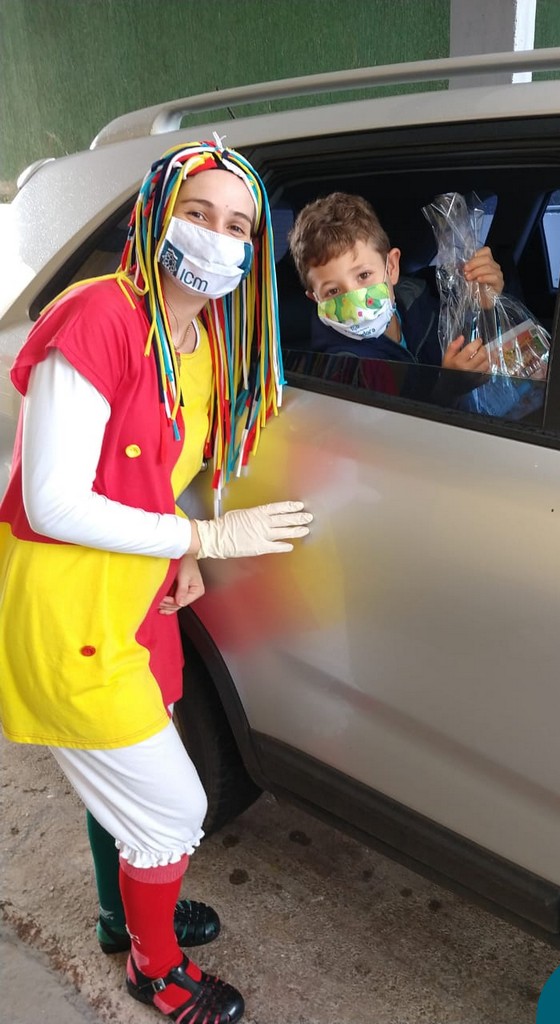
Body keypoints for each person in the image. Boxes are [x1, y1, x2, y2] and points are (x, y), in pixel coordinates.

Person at [0, 138, 313, 1024]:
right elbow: (53, 501)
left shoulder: (202, 342)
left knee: (130, 793)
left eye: (238, 225)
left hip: (140, 599)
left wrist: (181, 555)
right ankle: (154, 968)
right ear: (156, 218)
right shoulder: (99, 316)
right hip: (69, 610)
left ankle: (122, 914)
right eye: (197, 214)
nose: (217, 236)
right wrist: (203, 534)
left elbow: (156, 471)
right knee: (172, 808)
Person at [287, 191, 504, 374]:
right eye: (333, 291)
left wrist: (485, 306)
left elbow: (468, 344)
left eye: (363, 275)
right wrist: (449, 387)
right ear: (315, 299)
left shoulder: (418, 301)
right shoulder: (344, 368)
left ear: (391, 267)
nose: (355, 303)